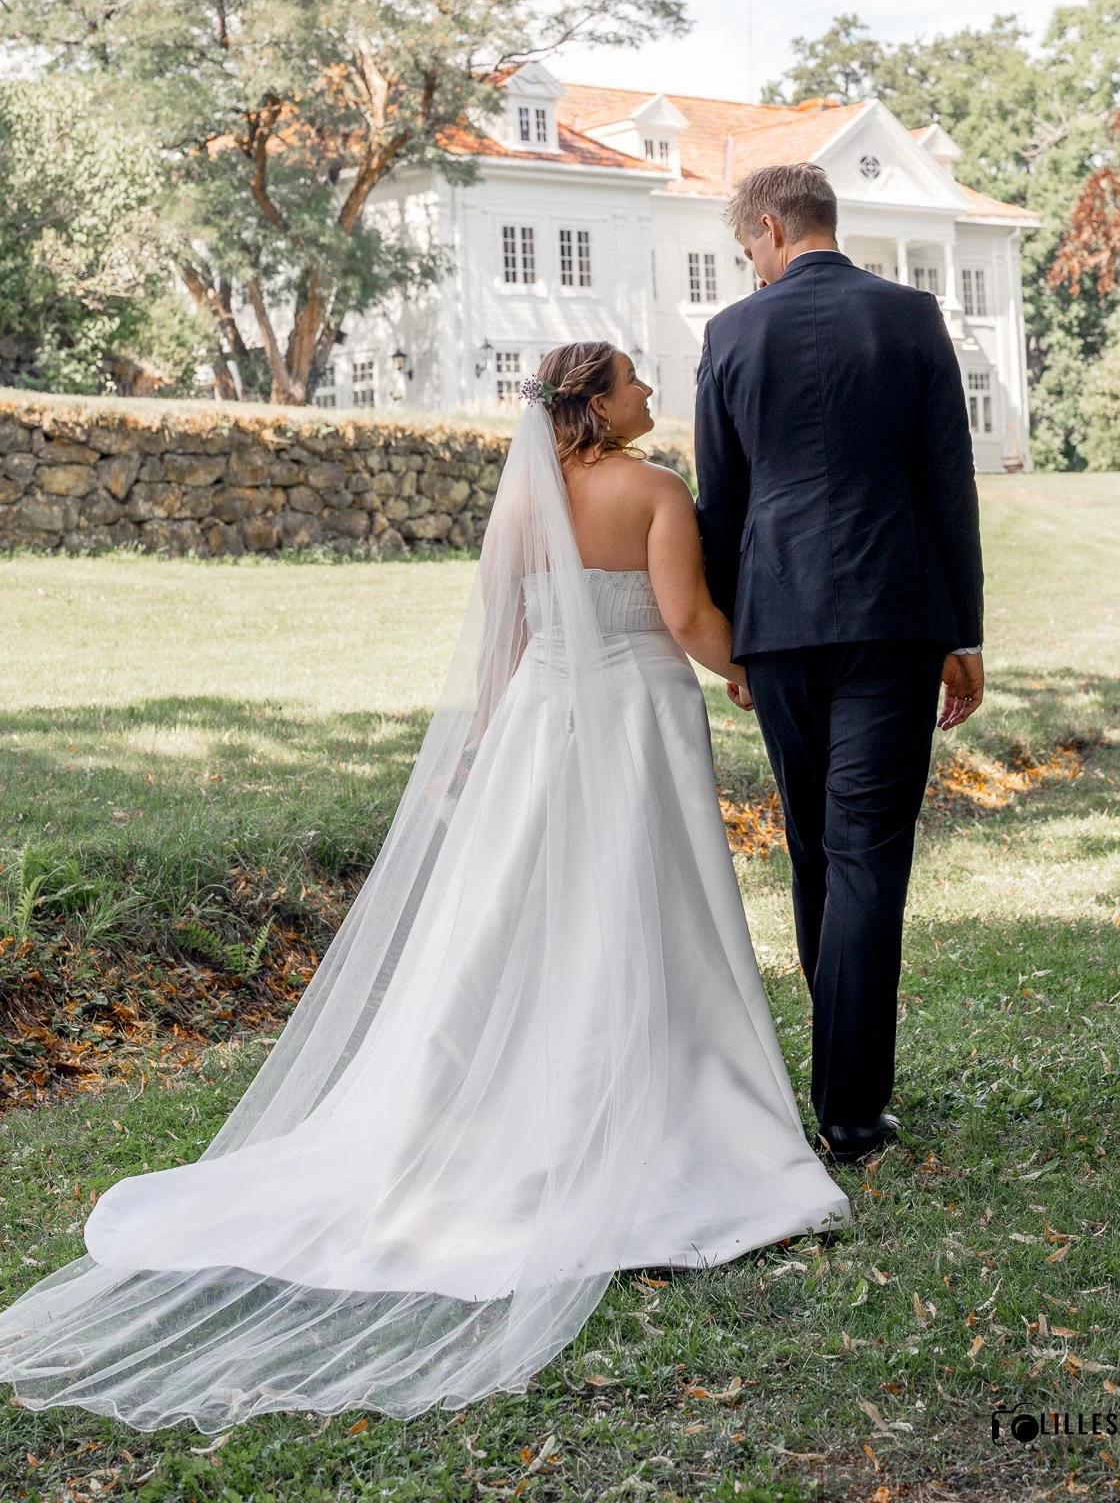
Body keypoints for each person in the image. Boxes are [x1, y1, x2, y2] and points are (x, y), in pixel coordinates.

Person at [0, 340, 847, 1432]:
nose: (648, 395)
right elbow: (684, 622)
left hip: (540, 728)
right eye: (632, 381)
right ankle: (662, 1095)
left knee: (513, 929)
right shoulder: (654, 490)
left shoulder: (524, 502)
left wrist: (496, 747)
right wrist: (748, 672)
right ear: (593, 403)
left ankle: (481, 1107)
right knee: (646, 912)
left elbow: (506, 637)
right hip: (636, 724)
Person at [695, 162, 985, 1166]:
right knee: (868, 852)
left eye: (748, 250)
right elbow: (947, 479)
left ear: (768, 227)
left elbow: (718, 503)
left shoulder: (730, 334)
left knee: (815, 846)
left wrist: (729, 633)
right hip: (895, 614)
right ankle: (852, 1110)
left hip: (776, 621)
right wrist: (965, 631)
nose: (752, 266)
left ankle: (833, 1089)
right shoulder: (910, 316)